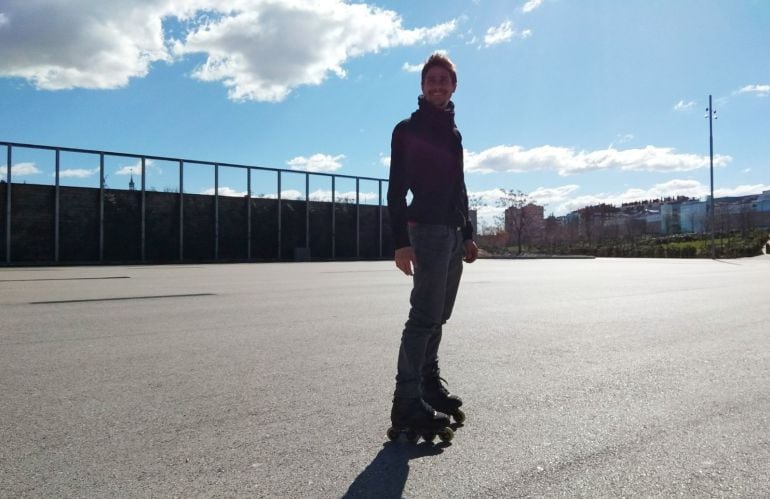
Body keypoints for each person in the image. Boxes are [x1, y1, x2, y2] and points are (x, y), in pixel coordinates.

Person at [386, 52, 479, 440]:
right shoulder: (408, 129)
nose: (437, 85)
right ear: (422, 86)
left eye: (444, 80)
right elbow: (395, 190)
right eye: (431, 80)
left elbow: (459, 187)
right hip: (424, 231)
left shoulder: (454, 134)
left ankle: (427, 385)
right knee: (422, 317)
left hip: (452, 233)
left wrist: (468, 232)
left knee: (438, 315)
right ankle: (406, 401)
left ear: (453, 86)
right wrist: (401, 243)